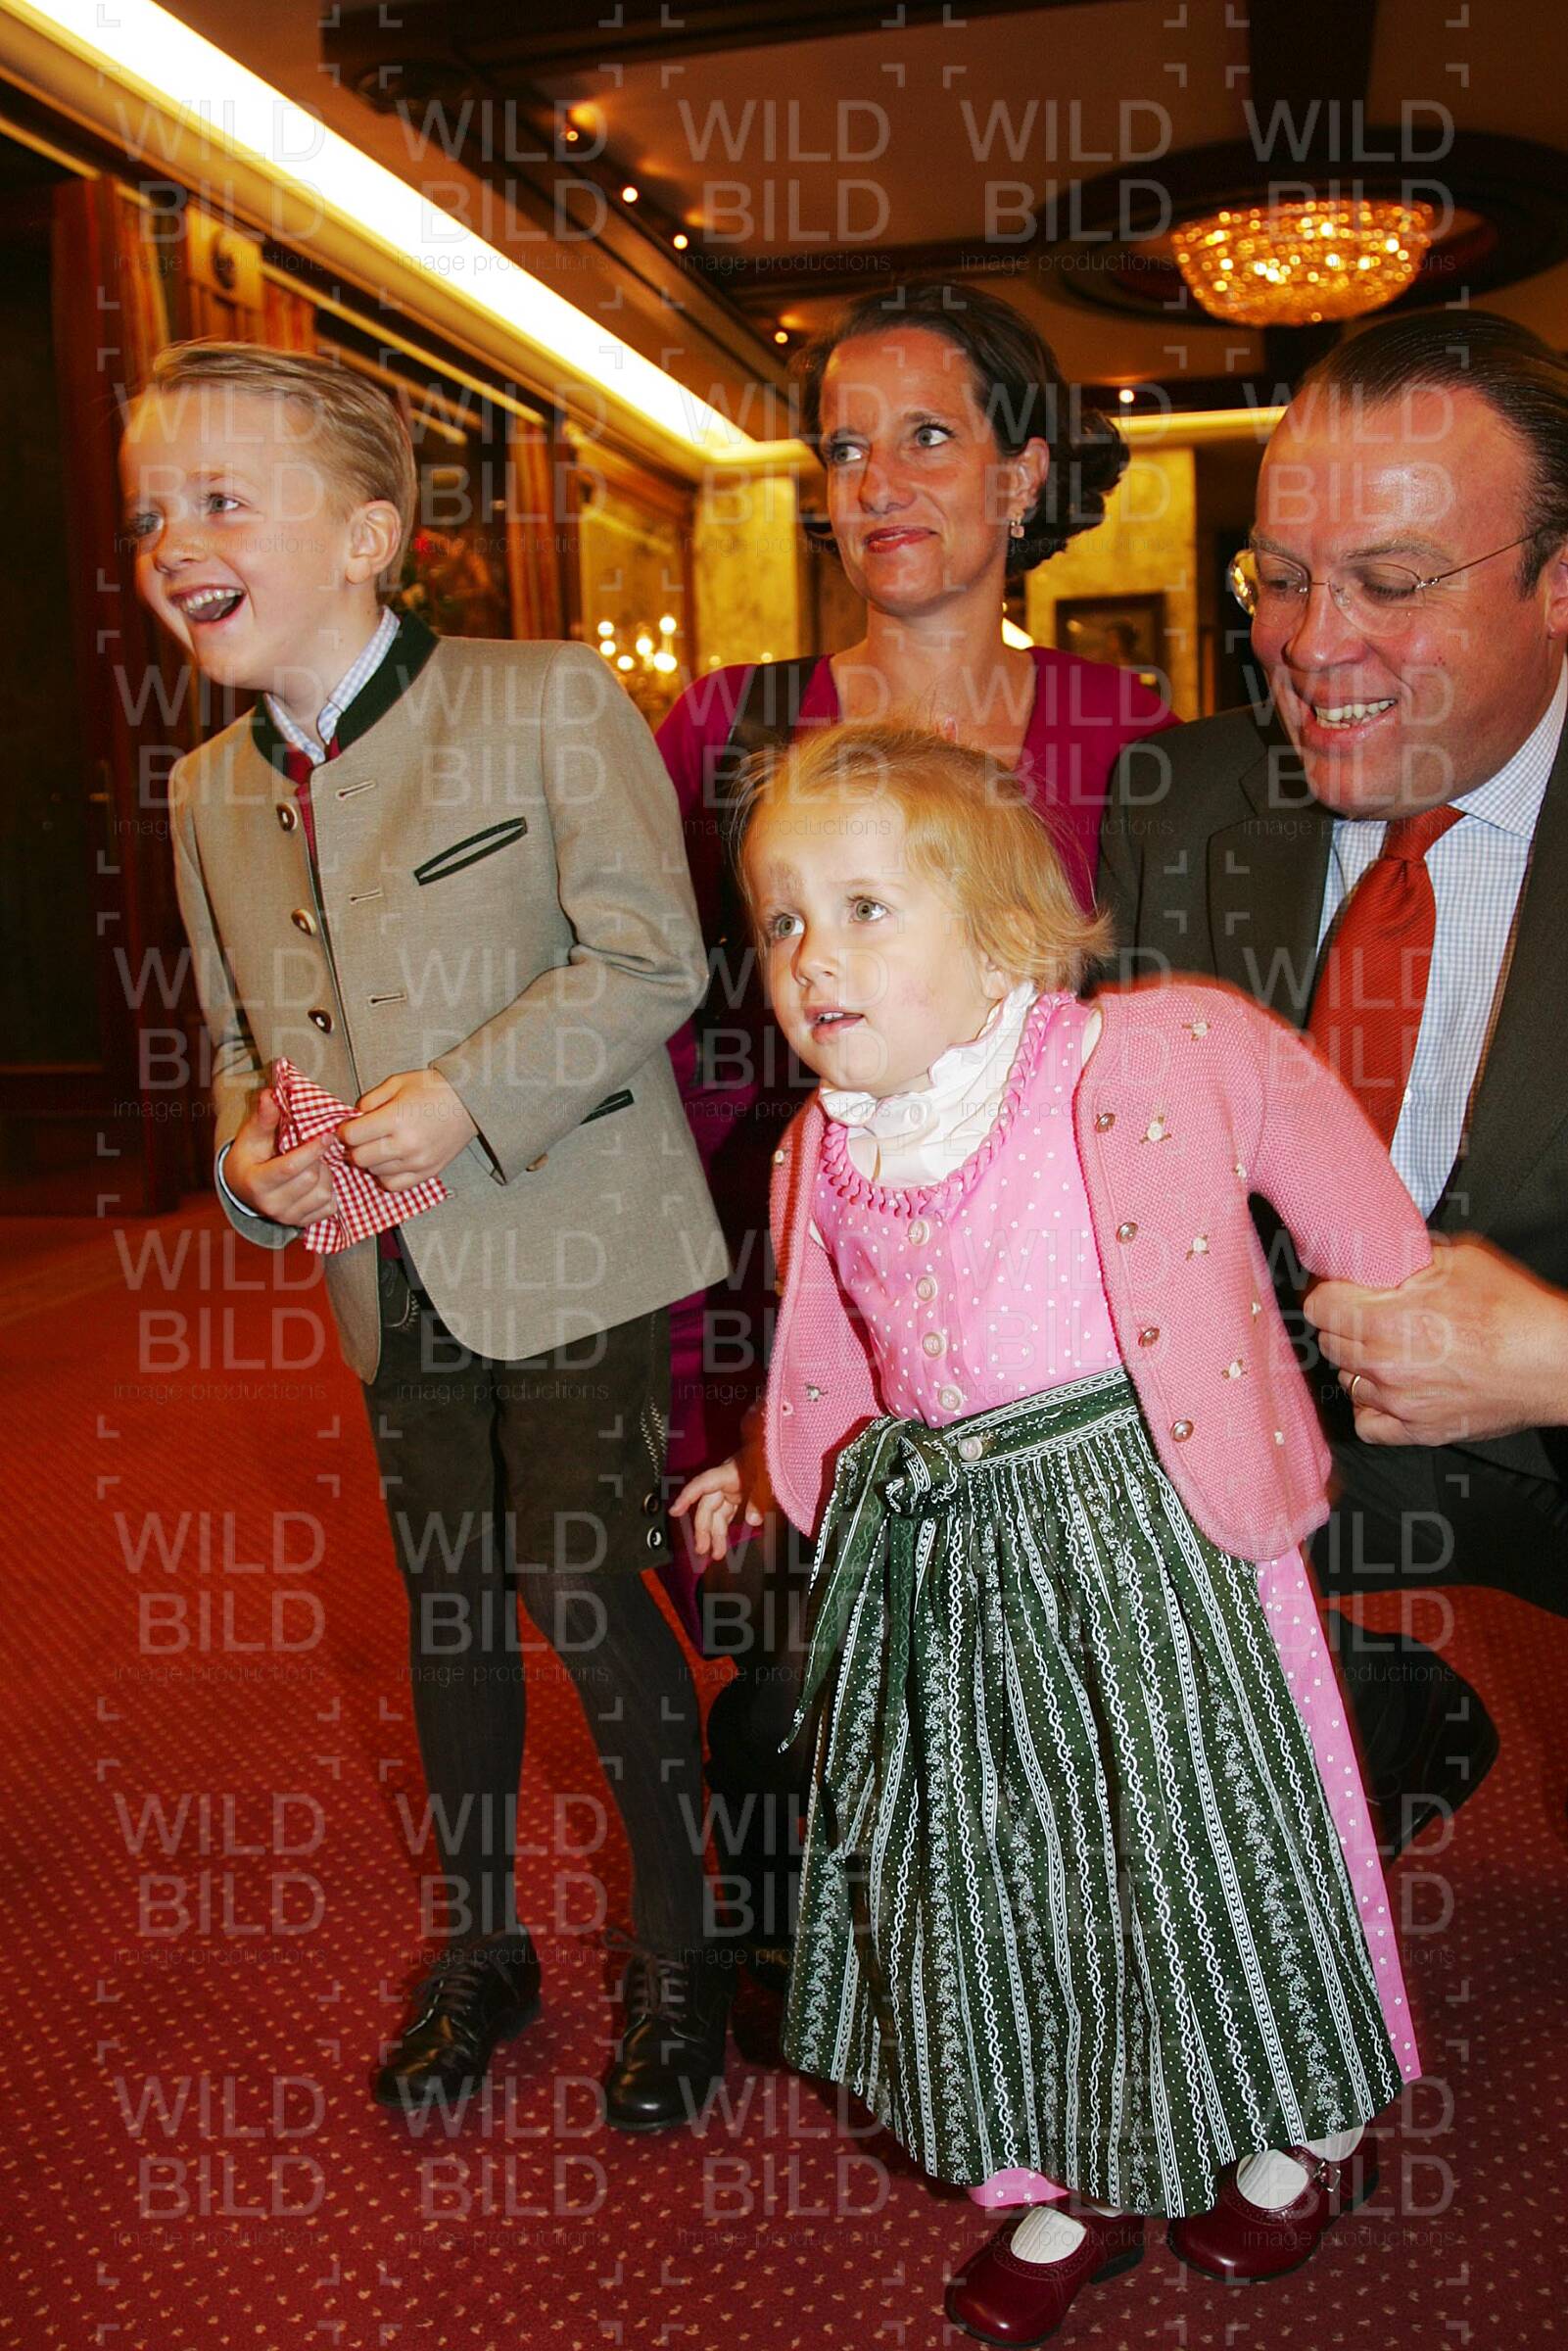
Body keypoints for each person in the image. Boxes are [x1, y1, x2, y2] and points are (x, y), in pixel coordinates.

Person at [675, 720, 1427, 2342]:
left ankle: (1298, 2114)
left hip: (1149, 1526)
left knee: (1211, 1828)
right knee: (1000, 1860)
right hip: (957, 1560)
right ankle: (1056, 2161)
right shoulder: (826, 1146)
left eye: (866, 909)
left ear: (1006, 934)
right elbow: (828, 1347)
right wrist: (760, 1463)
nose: (812, 956)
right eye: (783, 920)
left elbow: (1285, 1106)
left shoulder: (1121, 1056)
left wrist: (1393, 1289)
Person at [122, 341, 732, 2133]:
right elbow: (241, 1041)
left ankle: (684, 1948)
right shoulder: (204, 790)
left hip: (577, 1233)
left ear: (368, 536)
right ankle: (485, 1944)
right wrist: (250, 1157)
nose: (173, 542)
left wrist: (467, 1095)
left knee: (581, 1586)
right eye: (152, 515)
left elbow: (652, 957)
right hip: (380, 1265)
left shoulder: (542, 700)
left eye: (221, 501)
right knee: (447, 1603)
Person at [657, 279, 1175, 1985]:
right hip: (777, 1268)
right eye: (843, 449)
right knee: (798, 1667)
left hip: (1051, 1312)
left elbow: (1162, 1045)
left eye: (928, 438)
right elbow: (638, 1004)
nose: (874, 482)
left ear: (1022, 475)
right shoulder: (724, 727)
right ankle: (830, 1949)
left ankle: (1049, 1957)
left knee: (1047, 1666)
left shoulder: (1133, 738)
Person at [1099, 311, 1568, 1863]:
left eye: (1390, 581)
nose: (1312, 645)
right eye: (1284, 579)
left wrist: (1552, 1357)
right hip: (1250, 1465)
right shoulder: (1178, 800)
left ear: (1558, 581)